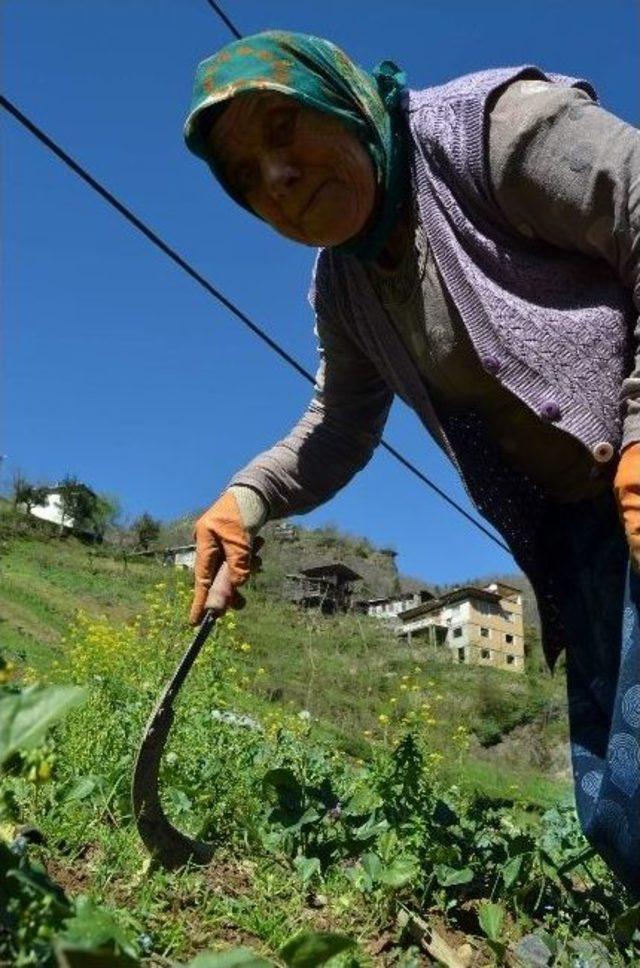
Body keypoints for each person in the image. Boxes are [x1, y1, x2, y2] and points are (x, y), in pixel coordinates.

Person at [182, 31, 640, 895]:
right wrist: (244, 500)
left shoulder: (492, 131)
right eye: (244, 177)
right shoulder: (344, 287)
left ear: (344, 101)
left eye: (284, 127)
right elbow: (339, 425)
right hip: (579, 532)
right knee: (617, 806)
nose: (274, 177)